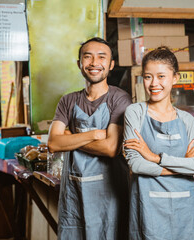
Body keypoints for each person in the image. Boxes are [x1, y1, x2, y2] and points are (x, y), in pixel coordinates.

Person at [48, 37, 132, 240]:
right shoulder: (68, 101)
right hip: (73, 190)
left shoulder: (119, 99)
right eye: (88, 57)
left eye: (101, 57)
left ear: (111, 65)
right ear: (79, 64)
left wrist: (71, 138)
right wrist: (94, 134)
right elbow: (53, 143)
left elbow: (111, 148)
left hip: (109, 192)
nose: (94, 63)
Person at [123, 46, 194, 240]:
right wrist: (184, 165)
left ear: (175, 78)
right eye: (147, 77)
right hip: (148, 206)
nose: (154, 83)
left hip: (184, 207)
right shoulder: (135, 113)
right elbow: (136, 164)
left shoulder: (187, 120)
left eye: (161, 76)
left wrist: (156, 157)